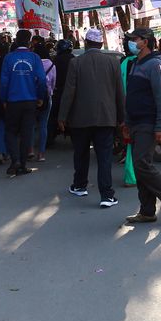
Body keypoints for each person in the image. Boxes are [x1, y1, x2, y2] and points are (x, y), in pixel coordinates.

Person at [59, 28, 125, 208]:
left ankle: (80, 186)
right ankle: (107, 195)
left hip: (80, 119)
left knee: (80, 153)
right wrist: (122, 117)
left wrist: (62, 116)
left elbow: (69, 92)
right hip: (106, 117)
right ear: (101, 44)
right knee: (104, 157)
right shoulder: (113, 63)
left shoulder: (76, 63)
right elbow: (119, 93)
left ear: (86, 43)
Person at [121, 28, 161, 224]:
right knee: (139, 168)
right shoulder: (135, 64)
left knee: (142, 163)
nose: (130, 42)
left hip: (148, 121)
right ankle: (147, 211)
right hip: (135, 122)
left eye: (133, 39)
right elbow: (132, 96)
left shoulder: (155, 65)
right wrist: (127, 121)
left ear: (145, 42)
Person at [0, 29, 48, 177]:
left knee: (11, 131)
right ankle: (23, 164)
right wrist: (40, 97)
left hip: (12, 101)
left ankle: (15, 161)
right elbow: (42, 80)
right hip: (30, 100)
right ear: (29, 41)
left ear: (15, 40)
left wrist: (4, 99)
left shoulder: (8, 58)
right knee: (27, 133)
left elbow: (4, 82)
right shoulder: (34, 58)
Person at [33, 41, 57, 162]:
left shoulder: (32, 63)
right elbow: (53, 83)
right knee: (43, 125)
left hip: (32, 97)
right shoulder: (52, 65)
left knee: (31, 125)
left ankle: (30, 150)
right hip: (47, 98)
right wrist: (49, 93)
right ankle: (41, 153)